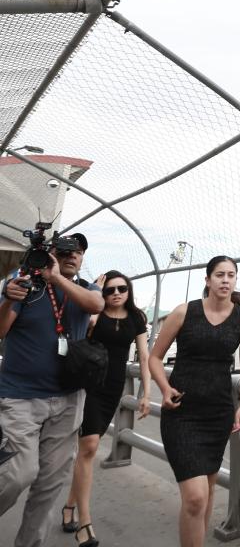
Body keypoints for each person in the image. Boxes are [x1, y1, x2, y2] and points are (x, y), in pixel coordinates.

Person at [0, 234, 103, 547]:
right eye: (65, 252)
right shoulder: (24, 285)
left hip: (69, 399)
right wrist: (9, 297)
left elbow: (96, 305)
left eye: (79, 252)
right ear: (49, 254)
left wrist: (56, 277)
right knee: (19, 473)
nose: (73, 257)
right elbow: (1, 329)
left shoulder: (85, 288)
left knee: (50, 482)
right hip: (20, 397)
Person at [148, 256, 240, 547]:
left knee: (205, 493)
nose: (225, 280)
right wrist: (164, 387)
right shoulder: (185, 312)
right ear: (207, 280)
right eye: (219, 274)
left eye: (231, 275)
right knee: (195, 497)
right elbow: (154, 357)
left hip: (218, 414)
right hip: (181, 413)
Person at [63, 270, 151, 546]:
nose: (115, 293)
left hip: (113, 389)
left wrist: (145, 393)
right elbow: (81, 331)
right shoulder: (96, 314)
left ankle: (69, 506)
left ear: (129, 291)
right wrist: (93, 293)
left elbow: (145, 357)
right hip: (89, 385)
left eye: (121, 289)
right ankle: (85, 524)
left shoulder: (136, 318)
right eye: (110, 290)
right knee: (88, 446)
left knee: (86, 451)